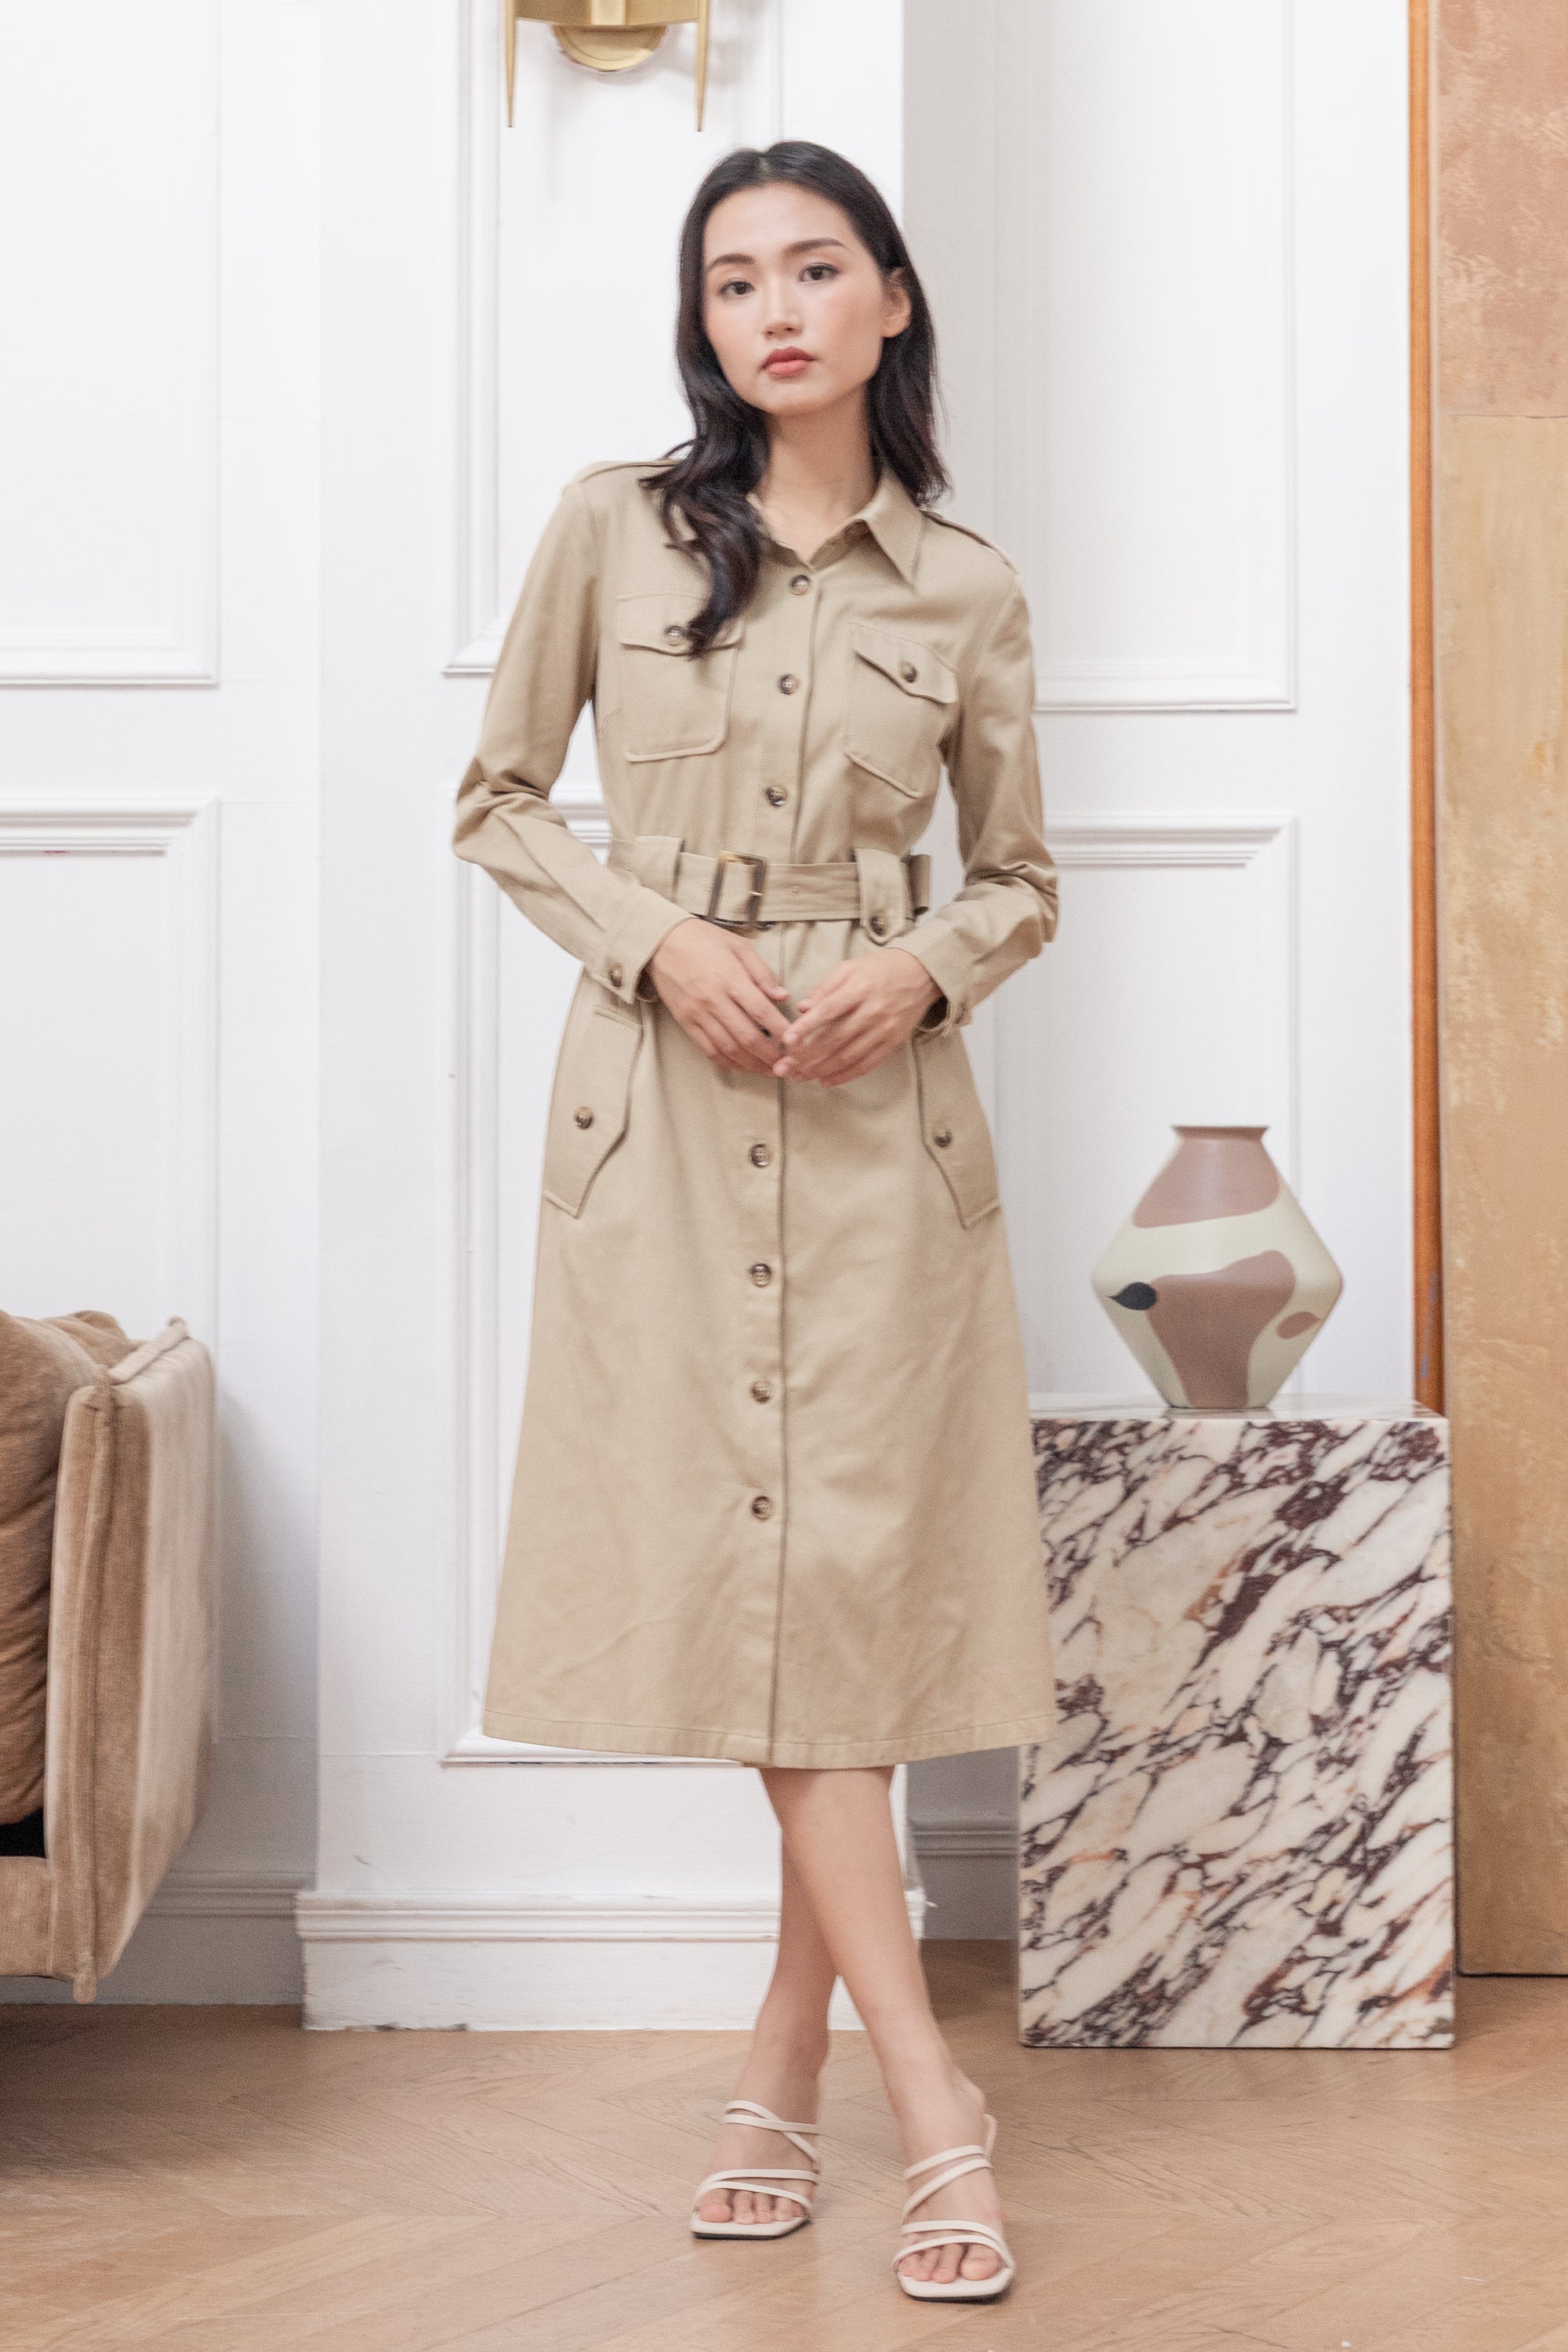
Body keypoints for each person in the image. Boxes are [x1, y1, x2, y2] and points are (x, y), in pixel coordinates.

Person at [452, 138, 1058, 2305]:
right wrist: (653, 939)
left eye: (814, 270)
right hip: (666, 1118)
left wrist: (926, 970)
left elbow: (1022, 878)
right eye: (732, 280)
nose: (773, 311)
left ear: (891, 300)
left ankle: (784, 2078)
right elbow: (498, 801)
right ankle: (932, 2102)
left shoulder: (964, 586)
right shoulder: (610, 528)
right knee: (769, 1590)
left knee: (843, 1604)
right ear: (701, 319)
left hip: (884, 1134)